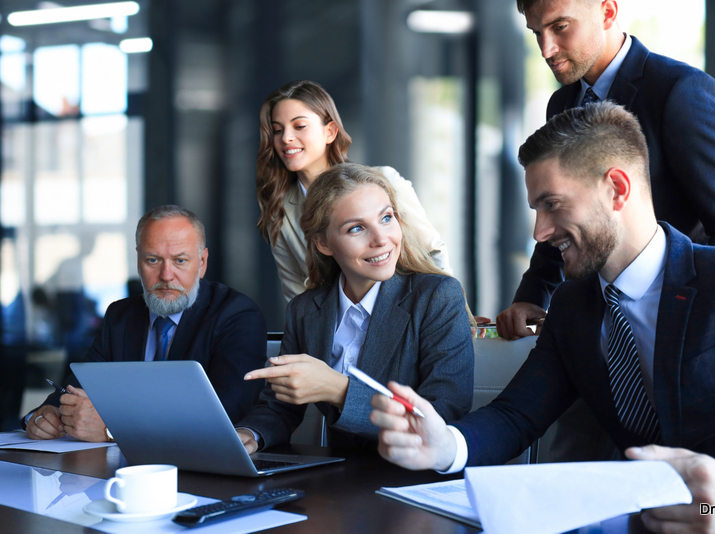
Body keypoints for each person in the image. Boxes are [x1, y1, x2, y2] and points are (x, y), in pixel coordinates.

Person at [371, 103, 715, 532]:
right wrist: (445, 445)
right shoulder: (574, 306)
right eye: (536, 210)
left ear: (617, 188)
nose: (539, 232)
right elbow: (516, 415)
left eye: (552, 204)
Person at [495, 0, 715, 340]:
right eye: (537, 33)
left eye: (560, 27)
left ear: (608, 12)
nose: (546, 49)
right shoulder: (562, 102)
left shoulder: (682, 92)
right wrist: (530, 298)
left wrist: (687, 327)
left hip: (678, 331)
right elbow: (560, 210)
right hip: (598, 337)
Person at [237, 163, 473, 451]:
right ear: (323, 242)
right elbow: (280, 405)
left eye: (386, 218)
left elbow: (444, 415)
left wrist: (339, 390)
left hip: (412, 479)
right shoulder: (305, 310)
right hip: (337, 479)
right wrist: (250, 434)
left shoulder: (437, 297)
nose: (381, 239)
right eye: (357, 228)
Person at [23, 205, 267, 442]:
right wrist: (47, 415)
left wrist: (112, 431)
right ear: (138, 261)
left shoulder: (236, 315)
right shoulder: (120, 316)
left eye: (180, 261)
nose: (166, 275)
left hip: (204, 471)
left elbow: (228, 412)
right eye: (153, 260)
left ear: (202, 263)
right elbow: (76, 387)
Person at [256, 80, 451, 303]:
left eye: (299, 126)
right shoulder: (279, 212)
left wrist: (452, 314)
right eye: (277, 130)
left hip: (409, 319)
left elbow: (431, 253)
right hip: (338, 330)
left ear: (329, 132)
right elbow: (296, 293)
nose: (286, 138)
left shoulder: (384, 181)